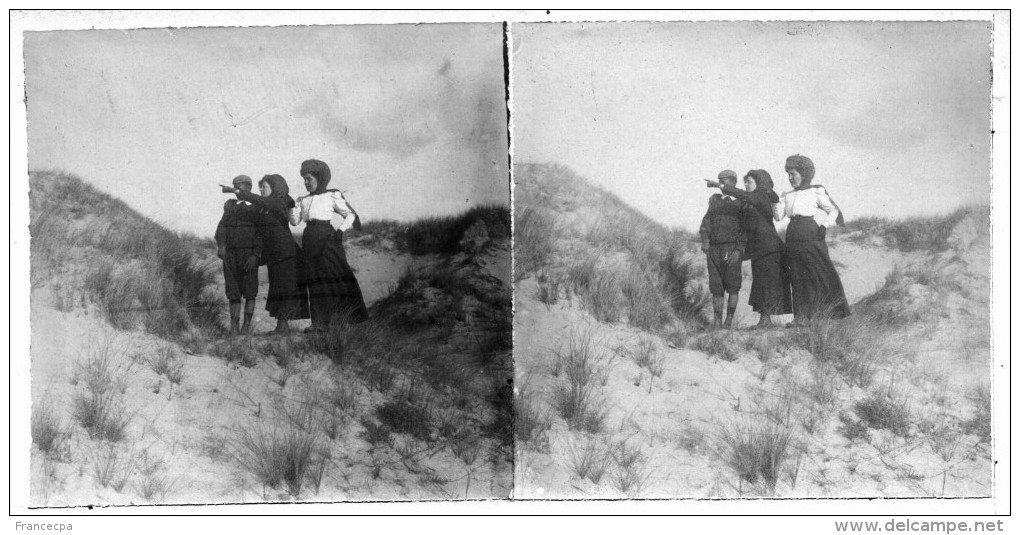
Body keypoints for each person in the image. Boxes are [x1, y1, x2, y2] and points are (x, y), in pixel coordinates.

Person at [222, 174, 309, 334]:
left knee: (285, 288)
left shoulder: (281, 200)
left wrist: (236, 191)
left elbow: (264, 203)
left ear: (275, 187)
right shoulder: (265, 206)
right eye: (260, 187)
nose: (261, 190)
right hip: (274, 253)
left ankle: (283, 326)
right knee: (277, 288)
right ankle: (281, 326)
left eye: (264, 187)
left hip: (285, 252)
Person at [706, 169, 792, 328]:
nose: (745, 185)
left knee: (766, 283)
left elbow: (744, 196)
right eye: (745, 182)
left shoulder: (760, 196)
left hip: (769, 247)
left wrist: (720, 185)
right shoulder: (752, 200)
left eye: (749, 182)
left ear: (759, 183)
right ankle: (764, 320)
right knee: (761, 282)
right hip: (760, 248)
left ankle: (765, 320)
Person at [291, 159, 368, 332]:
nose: (306, 182)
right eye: (304, 179)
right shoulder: (302, 200)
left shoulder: (331, 195)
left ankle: (341, 320)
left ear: (319, 178)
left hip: (328, 239)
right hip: (309, 239)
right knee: (313, 281)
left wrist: (340, 231)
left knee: (333, 278)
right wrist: (293, 206)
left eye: (309, 178)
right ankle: (318, 323)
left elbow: (350, 215)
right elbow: (295, 222)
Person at [775, 154, 850, 324]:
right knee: (796, 275)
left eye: (793, 173)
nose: (790, 178)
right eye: (788, 174)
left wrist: (824, 226)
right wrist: (775, 201)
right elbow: (779, 217)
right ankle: (800, 317)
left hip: (811, 234)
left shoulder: (816, 191)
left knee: (816, 272)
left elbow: (834, 211)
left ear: (804, 173)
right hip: (793, 234)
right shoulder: (786, 195)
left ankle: (825, 314)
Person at [214, 175, 263, 335]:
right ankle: (234, 327)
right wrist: (221, 245)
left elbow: (261, 235)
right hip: (230, 255)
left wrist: (255, 255)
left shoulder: (257, 207)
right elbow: (221, 227)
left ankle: (246, 327)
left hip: (249, 256)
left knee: (250, 292)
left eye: (238, 186)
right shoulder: (230, 205)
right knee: (233, 293)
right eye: (233, 186)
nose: (235, 189)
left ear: (248, 187)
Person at [699, 169, 746, 328]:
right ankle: (717, 321)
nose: (720, 183)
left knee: (733, 287)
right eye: (719, 180)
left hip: (732, 249)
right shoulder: (715, 200)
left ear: (733, 182)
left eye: (724, 180)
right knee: (716, 288)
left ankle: (729, 320)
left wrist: (738, 250)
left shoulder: (741, 202)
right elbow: (705, 223)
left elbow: (745, 230)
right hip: (714, 250)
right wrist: (705, 240)